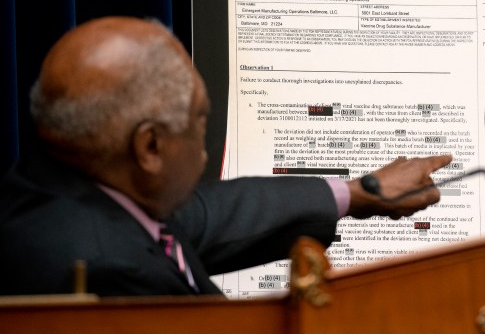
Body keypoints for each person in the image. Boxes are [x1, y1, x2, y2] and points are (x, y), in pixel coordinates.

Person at [0, 16, 452, 297]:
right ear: (150, 147)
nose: (204, 143)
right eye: (200, 120)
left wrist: (355, 193)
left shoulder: (47, 190)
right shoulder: (116, 274)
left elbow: (205, 216)